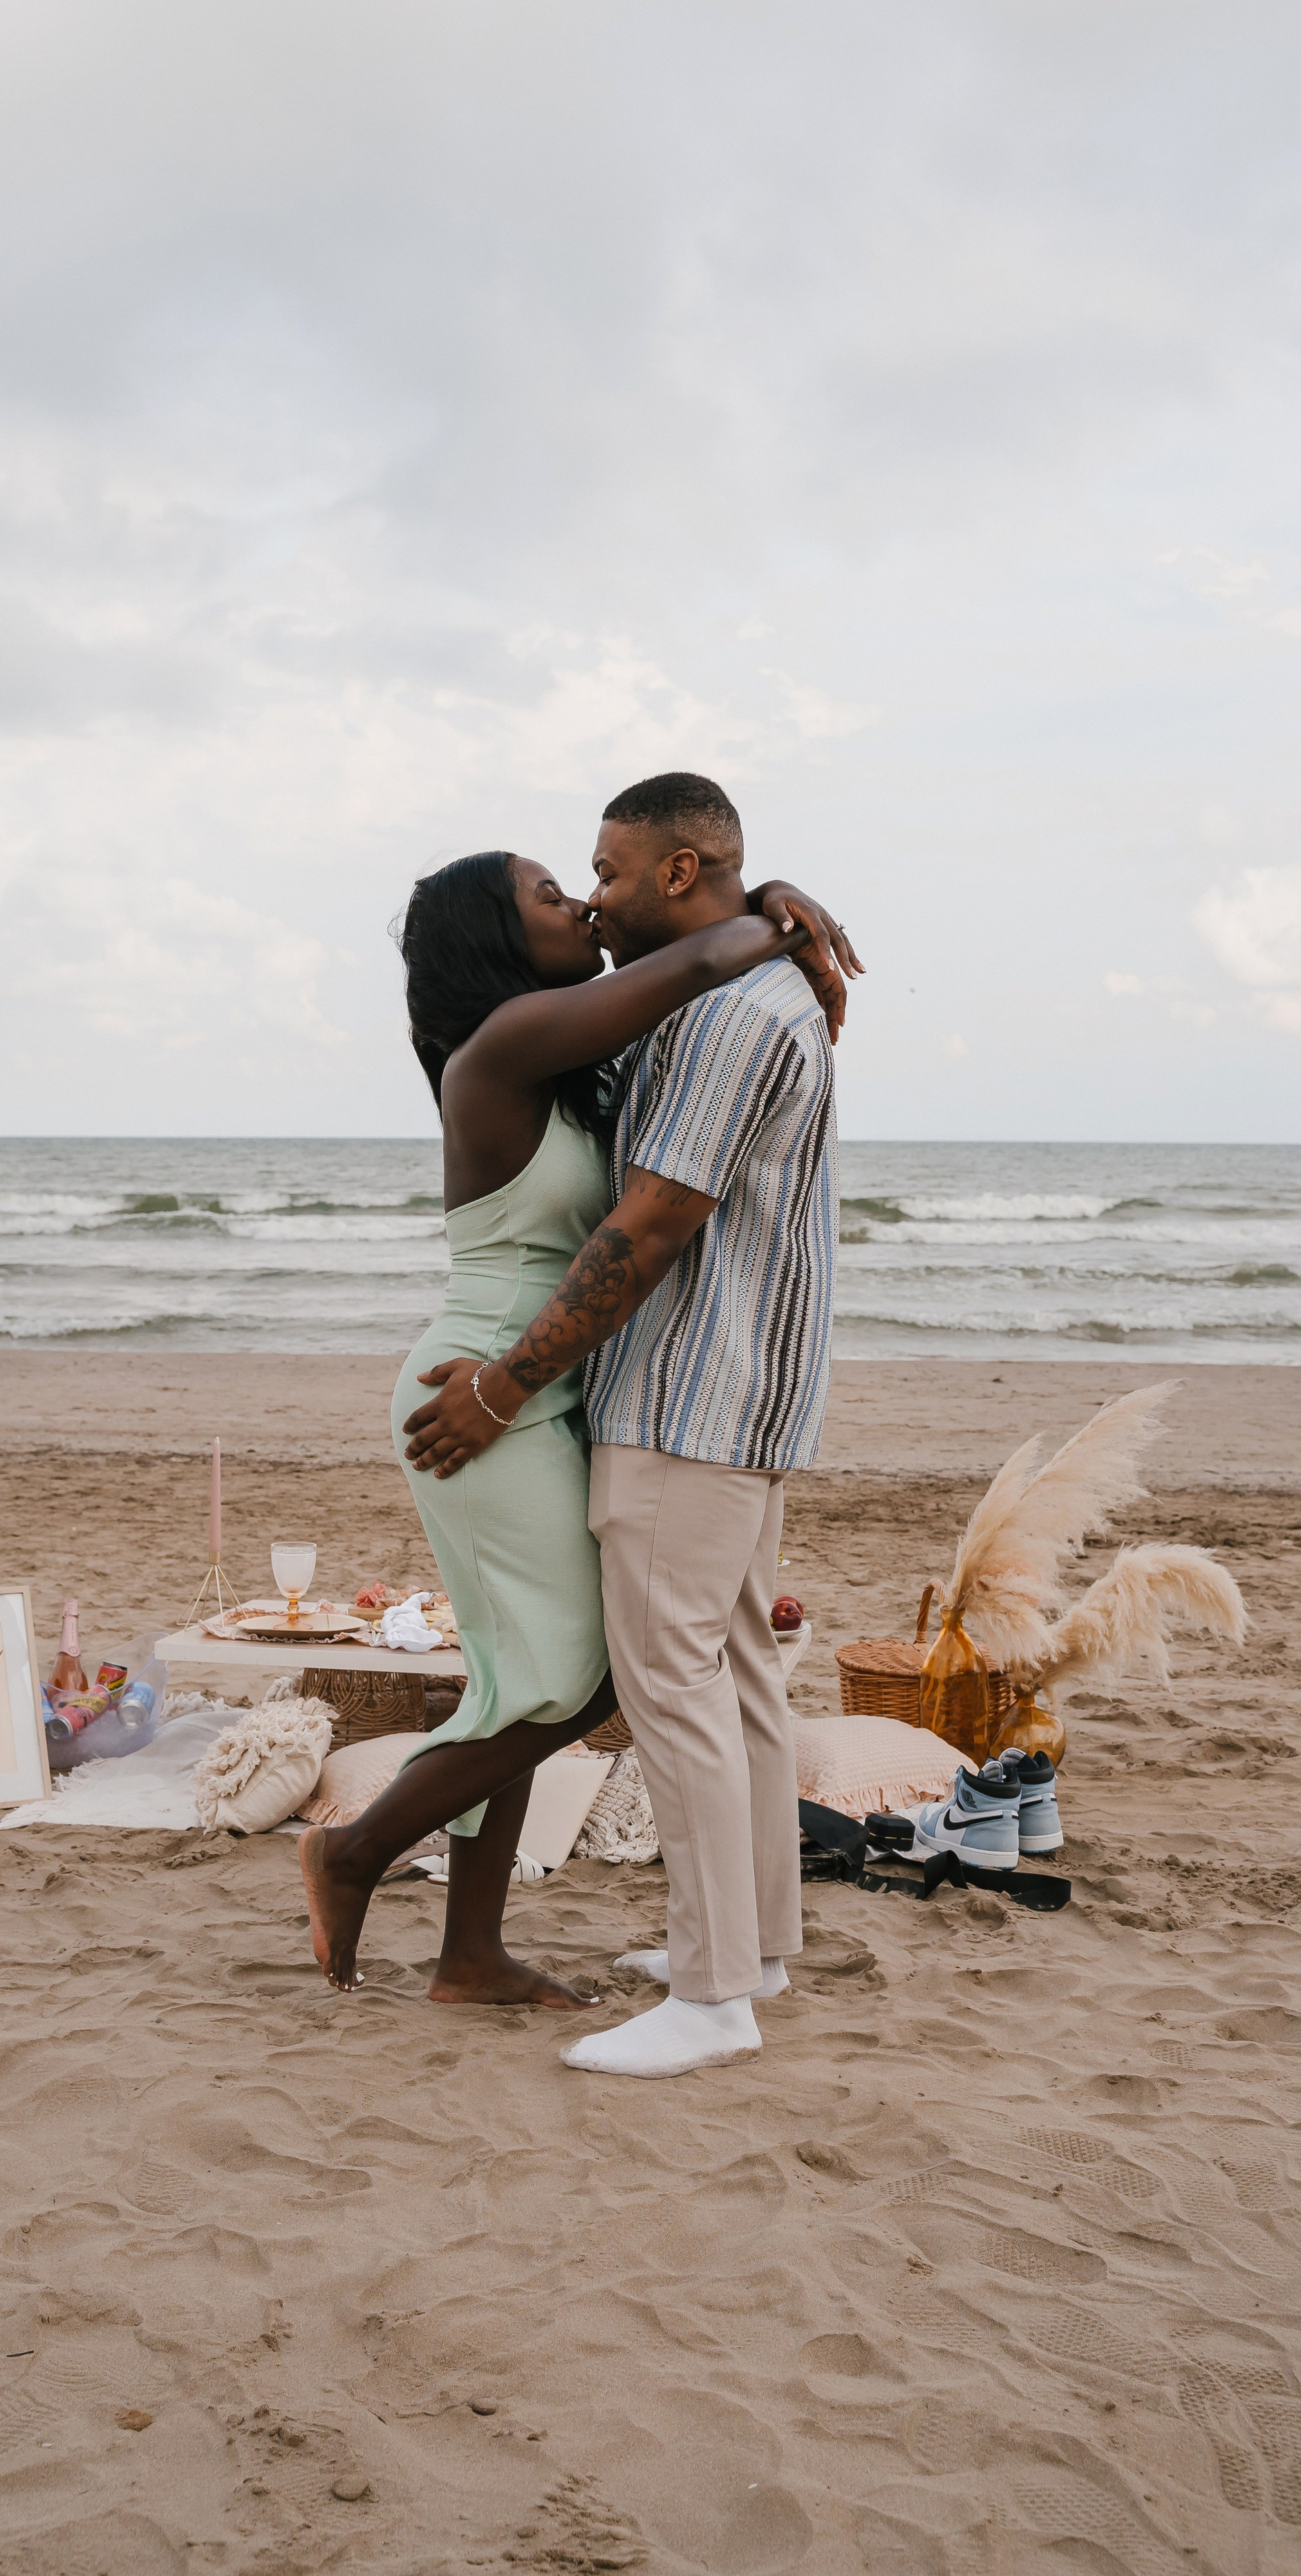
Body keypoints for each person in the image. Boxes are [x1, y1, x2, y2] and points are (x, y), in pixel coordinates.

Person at [299, 840, 857, 2007]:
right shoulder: (503, 1044)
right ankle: (353, 1851)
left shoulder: (564, 1064)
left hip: (538, 1386)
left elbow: (683, 975)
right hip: (476, 1394)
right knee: (586, 1679)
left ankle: (468, 1955)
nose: (586, 908)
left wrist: (761, 901)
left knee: (518, 1678)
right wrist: (775, 912)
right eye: (553, 896)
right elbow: (694, 959)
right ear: (500, 942)